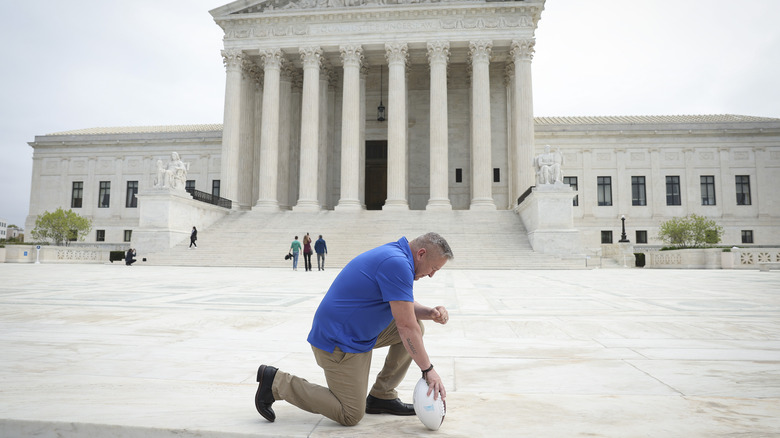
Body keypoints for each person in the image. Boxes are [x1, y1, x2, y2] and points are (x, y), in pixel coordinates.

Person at [255, 232, 453, 427]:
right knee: (350, 413)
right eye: (433, 268)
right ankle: (276, 383)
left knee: (417, 325)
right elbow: (405, 326)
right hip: (338, 342)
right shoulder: (397, 263)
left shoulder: (397, 256)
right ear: (421, 254)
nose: (432, 275)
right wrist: (428, 370)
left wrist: (429, 312)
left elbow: (402, 304)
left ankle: (381, 396)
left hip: (354, 332)